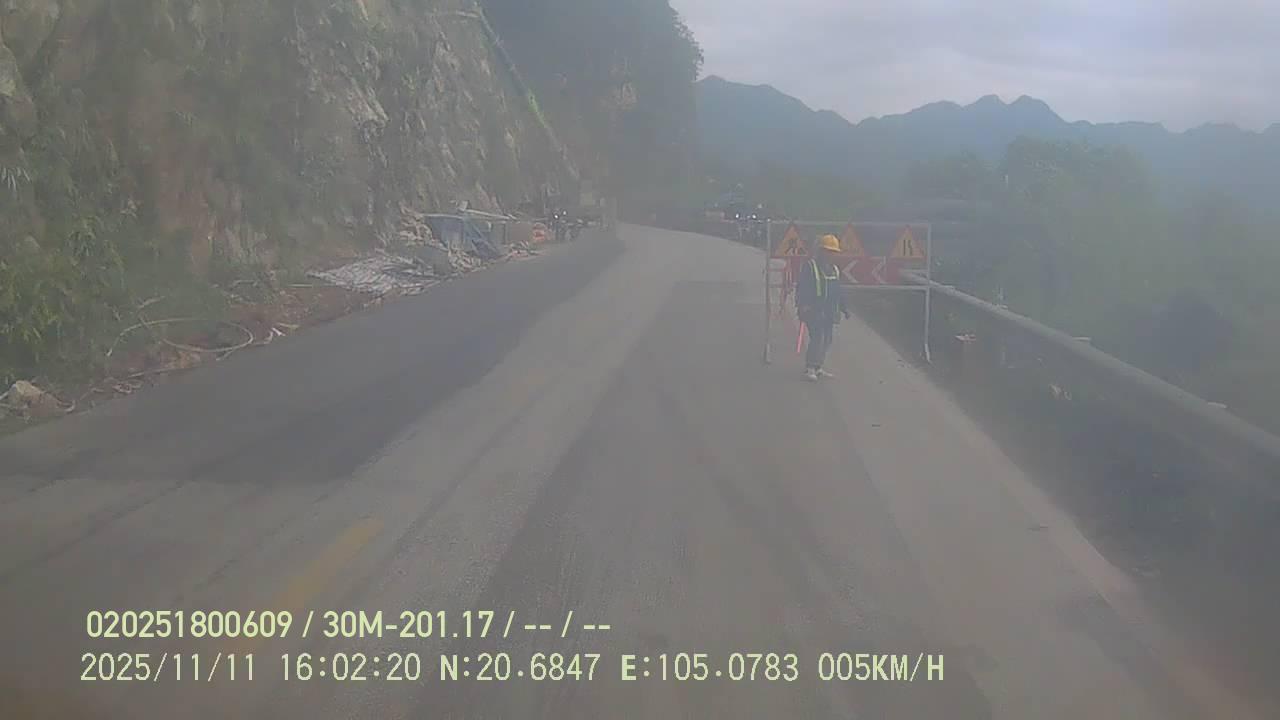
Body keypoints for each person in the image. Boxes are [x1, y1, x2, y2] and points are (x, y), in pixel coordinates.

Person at [795, 234, 850, 381]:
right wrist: (803, 305)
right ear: (821, 251)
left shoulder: (835, 270)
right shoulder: (810, 267)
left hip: (829, 312)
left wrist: (844, 308)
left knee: (827, 339)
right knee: (817, 338)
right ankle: (810, 368)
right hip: (813, 311)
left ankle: (818, 366)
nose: (831, 255)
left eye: (833, 252)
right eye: (828, 251)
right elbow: (802, 287)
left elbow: (839, 291)